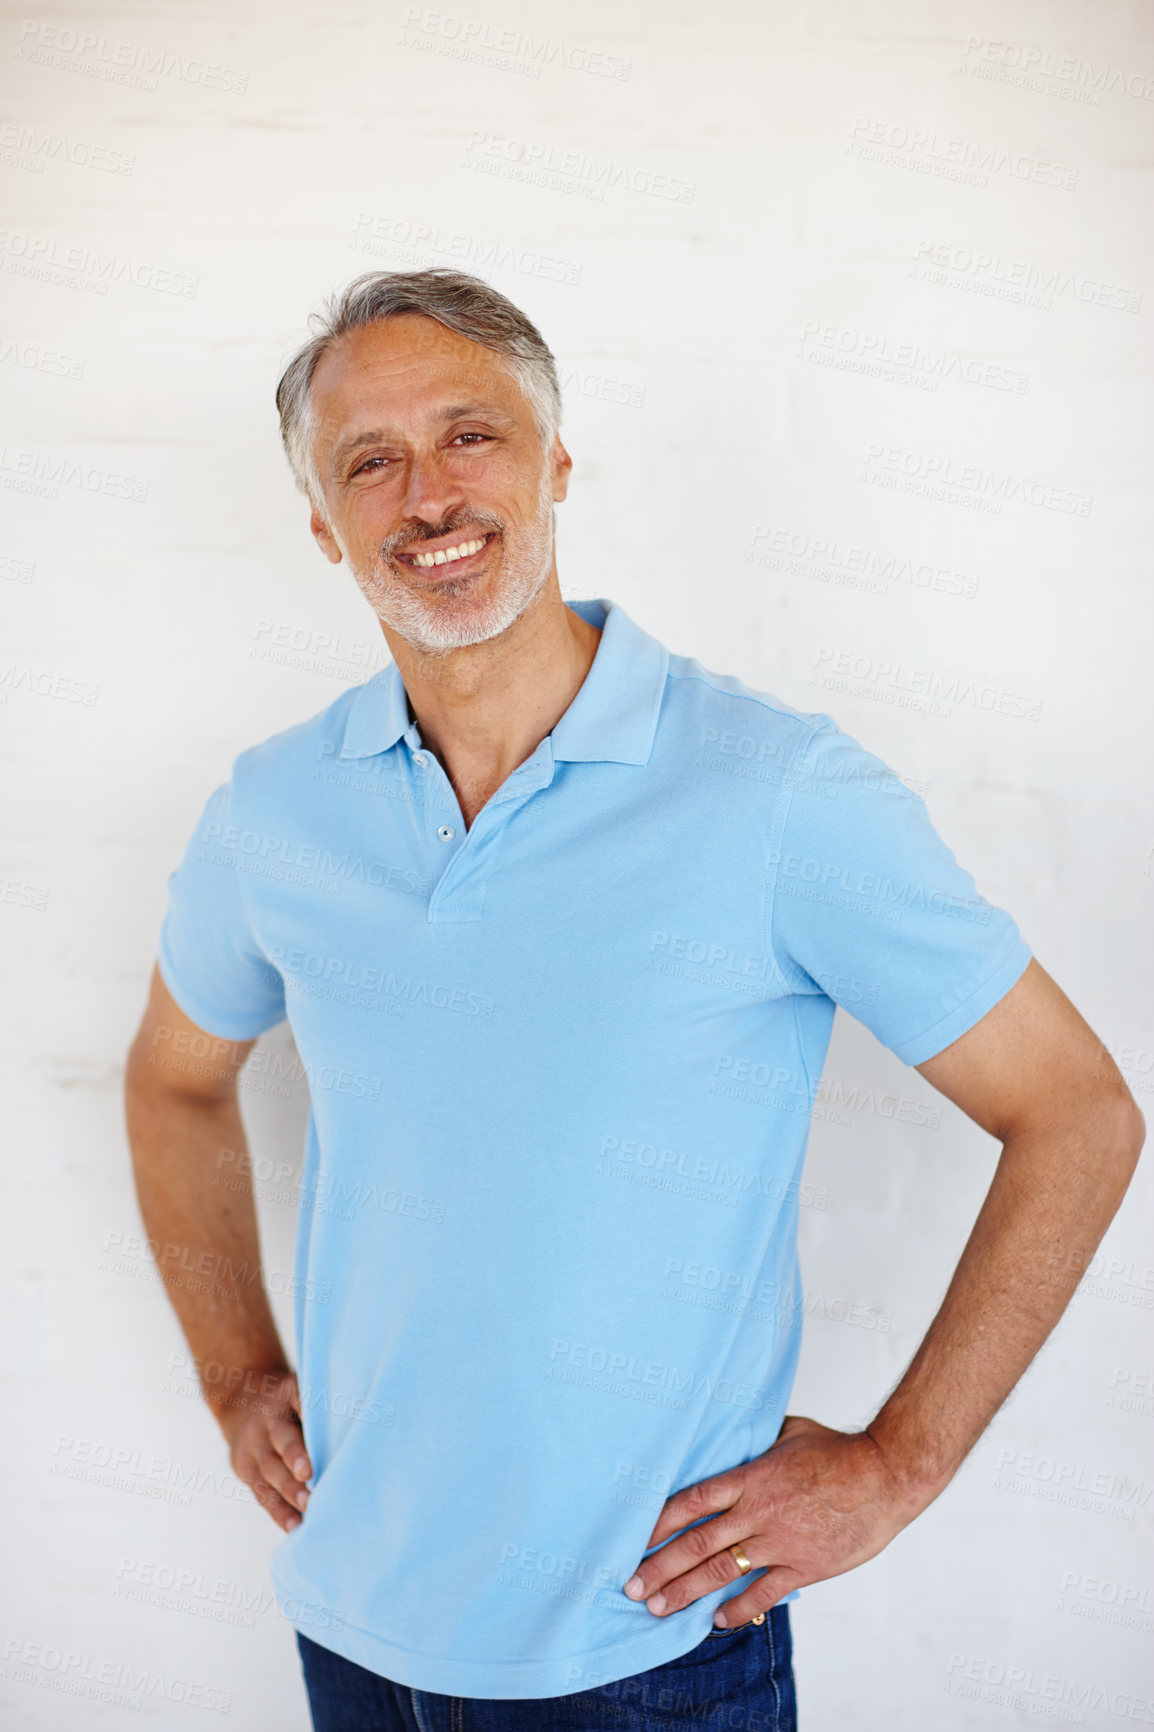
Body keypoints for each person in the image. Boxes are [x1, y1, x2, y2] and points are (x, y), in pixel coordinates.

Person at [124, 270, 1144, 1732]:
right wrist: (236, 1374)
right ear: (321, 523)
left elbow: (1077, 1112)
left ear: (555, 463)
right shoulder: (274, 809)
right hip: (351, 1622)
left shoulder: (774, 791)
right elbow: (172, 1079)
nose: (426, 496)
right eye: (369, 461)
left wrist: (898, 1467)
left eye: (469, 436)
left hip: (650, 1650)